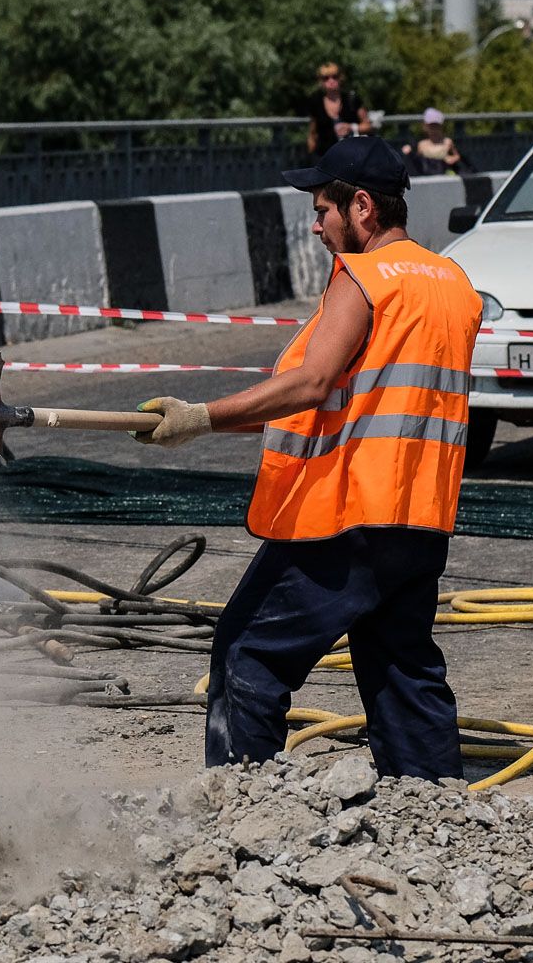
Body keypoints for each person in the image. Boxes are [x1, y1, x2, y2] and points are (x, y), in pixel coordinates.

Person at [134, 137, 483, 781]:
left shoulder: (365, 278)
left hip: (347, 519)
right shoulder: (452, 284)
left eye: (323, 210)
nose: (317, 225)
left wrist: (200, 418)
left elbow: (312, 385)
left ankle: (246, 811)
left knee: (248, 652)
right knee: (402, 671)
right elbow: (347, 403)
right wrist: (211, 421)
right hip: (421, 519)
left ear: (362, 208)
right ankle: (439, 816)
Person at [304, 62, 371, 158]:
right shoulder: (315, 102)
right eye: (326, 78)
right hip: (325, 157)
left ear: (341, 78)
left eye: (335, 77)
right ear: (320, 81)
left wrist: (351, 127)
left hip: (352, 156)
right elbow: (312, 133)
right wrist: (310, 159)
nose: (331, 81)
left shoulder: (351, 99)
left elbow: (368, 126)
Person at [401, 107, 463, 175]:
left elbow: (457, 156)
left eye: (436, 126)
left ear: (441, 126)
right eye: (431, 126)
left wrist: (451, 159)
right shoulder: (421, 144)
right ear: (425, 127)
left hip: (444, 176)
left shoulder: (447, 142)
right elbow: (418, 163)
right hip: (427, 178)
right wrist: (409, 153)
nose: (434, 129)